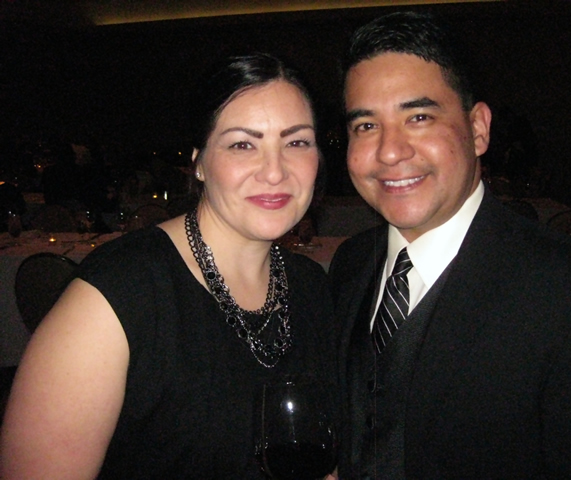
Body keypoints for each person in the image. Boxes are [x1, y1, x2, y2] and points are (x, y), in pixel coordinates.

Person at [328, 11, 571, 479]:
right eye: (366, 126)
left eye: (418, 117)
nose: (390, 151)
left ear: (478, 129)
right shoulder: (350, 265)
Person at [0, 53, 338, 479]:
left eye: (297, 142)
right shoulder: (118, 295)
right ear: (199, 162)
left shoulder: (311, 285)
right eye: (242, 144)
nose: (275, 171)